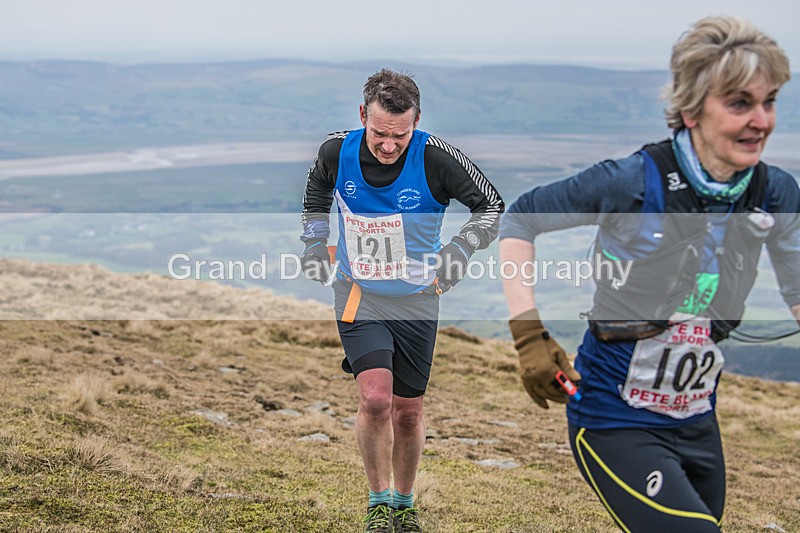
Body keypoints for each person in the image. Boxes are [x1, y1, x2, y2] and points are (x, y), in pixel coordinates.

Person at [500, 16, 800, 532]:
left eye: (768, 101)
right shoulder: (632, 182)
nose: (761, 121)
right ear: (689, 109)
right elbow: (521, 217)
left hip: (698, 418)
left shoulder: (775, 193)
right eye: (739, 103)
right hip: (614, 417)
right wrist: (528, 334)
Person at [300, 68, 504, 532]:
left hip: (416, 298)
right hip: (358, 292)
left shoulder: (436, 157)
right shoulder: (337, 149)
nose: (389, 145)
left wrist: (460, 248)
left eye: (400, 135)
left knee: (408, 412)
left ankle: (404, 503)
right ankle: (377, 502)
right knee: (375, 400)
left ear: (417, 121)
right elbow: (316, 191)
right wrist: (314, 242)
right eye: (379, 133)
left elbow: (491, 204)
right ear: (361, 116)